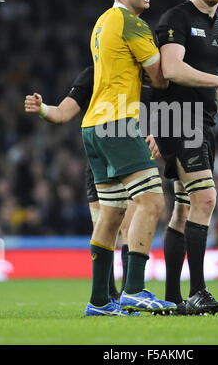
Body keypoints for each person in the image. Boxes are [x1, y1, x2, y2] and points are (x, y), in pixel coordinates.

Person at [80, 0, 176, 316]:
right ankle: (134, 288)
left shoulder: (102, 22)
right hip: (118, 121)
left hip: (93, 125)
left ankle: (100, 301)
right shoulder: (132, 23)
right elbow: (161, 77)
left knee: (112, 213)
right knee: (152, 202)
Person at [155, 0, 218, 315]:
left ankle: (174, 297)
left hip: (204, 121)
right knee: (205, 198)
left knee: (183, 209)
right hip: (175, 116)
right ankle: (198, 292)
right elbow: (172, 69)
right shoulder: (176, 18)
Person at [24, 65, 160, 300]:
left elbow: (166, 111)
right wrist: (43, 109)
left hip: (132, 156)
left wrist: (159, 135)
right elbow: (62, 113)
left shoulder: (148, 73)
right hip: (102, 160)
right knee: (105, 225)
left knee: (128, 227)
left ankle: (130, 293)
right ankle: (106, 297)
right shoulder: (94, 74)